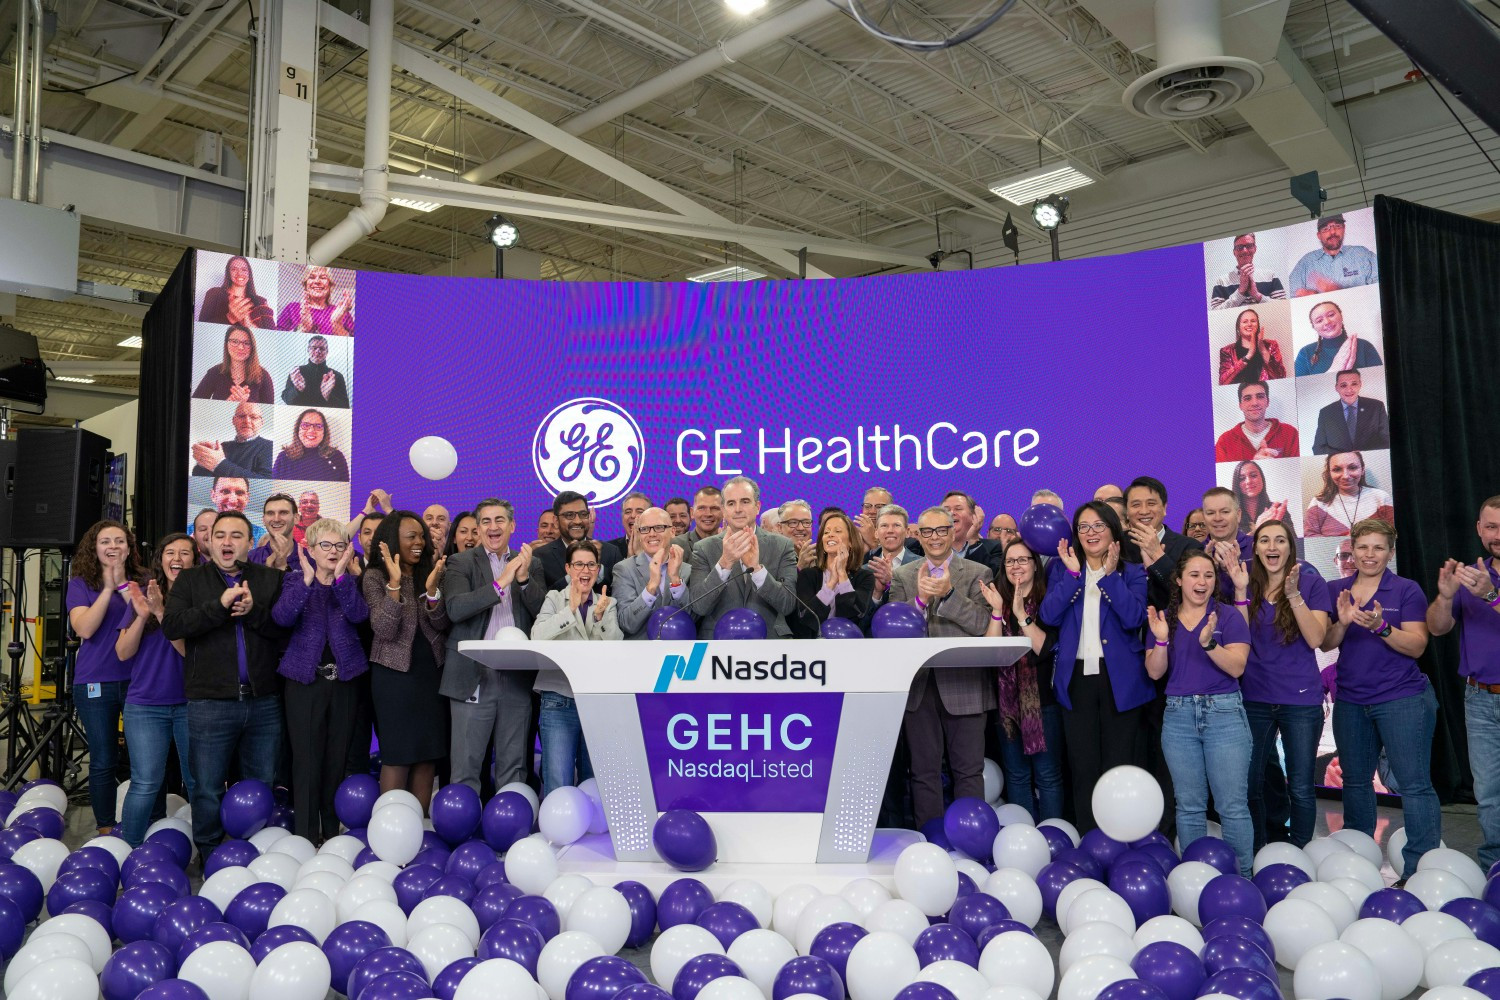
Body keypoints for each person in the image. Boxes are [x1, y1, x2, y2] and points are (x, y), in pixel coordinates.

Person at [161, 510, 288, 860]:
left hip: (263, 702)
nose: (227, 541)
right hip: (209, 704)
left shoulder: (269, 579)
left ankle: (255, 854)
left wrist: (254, 612)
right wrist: (218, 606)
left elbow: (283, 631)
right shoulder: (189, 581)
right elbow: (173, 626)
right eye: (220, 535)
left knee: (260, 786)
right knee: (207, 788)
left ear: (250, 543)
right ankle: (209, 854)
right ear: (209, 541)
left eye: (236, 535)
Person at [1322, 519, 1437, 879]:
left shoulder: (1406, 590)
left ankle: (1420, 870)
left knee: (1414, 784)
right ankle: (1360, 865)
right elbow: (1325, 643)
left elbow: (1417, 645)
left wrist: (1381, 627)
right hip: (1352, 702)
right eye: (1362, 547)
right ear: (1352, 549)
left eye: (1378, 548)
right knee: (1355, 783)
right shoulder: (1336, 588)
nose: (1369, 555)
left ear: (1390, 551)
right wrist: (1341, 622)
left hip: (1402, 699)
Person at [1220, 517, 1330, 849]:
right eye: (1264, 540)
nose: (1272, 547)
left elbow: (1315, 639)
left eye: (1280, 540)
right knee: (1251, 783)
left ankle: (1300, 851)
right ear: (1255, 547)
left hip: (1300, 700)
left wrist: (1293, 594)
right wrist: (1239, 590)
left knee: (1299, 786)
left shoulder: (1310, 583)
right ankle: (1258, 847)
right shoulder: (1242, 582)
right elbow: (1236, 637)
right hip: (1254, 698)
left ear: (1290, 547)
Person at [1040, 502, 1150, 831]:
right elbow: (1048, 616)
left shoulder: (1131, 572)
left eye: (1099, 525)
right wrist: (1074, 575)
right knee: (1083, 765)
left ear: (1114, 531)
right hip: (1076, 680)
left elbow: (1134, 618)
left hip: (1120, 680)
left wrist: (1109, 576)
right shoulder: (1064, 569)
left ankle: (1122, 834)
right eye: (1084, 527)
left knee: (1118, 764)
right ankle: (1090, 837)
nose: (1091, 533)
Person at [1145, 550, 1254, 874]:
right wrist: (1162, 642)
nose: (1202, 582)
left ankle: (1243, 878)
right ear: (1178, 580)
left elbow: (1237, 667)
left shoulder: (1229, 617)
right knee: (1189, 807)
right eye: (1194, 574)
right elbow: (1153, 672)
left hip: (1224, 715)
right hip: (1178, 717)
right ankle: (1193, 878)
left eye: (1208, 575)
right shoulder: (1164, 619)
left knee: (1231, 807)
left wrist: (1209, 644)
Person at [888, 506, 992, 825]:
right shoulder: (903, 575)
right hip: (918, 687)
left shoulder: (978, 572)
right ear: (918, 535)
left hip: (965, 685)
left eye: (941, 531)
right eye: (928, 532)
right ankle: (930, 841)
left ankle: (973, 840)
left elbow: (982, 623)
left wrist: (948, 596)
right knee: (923, 773)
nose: (935, 538)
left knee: (969, 772)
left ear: (952, 532)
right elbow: (890, 627)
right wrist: (918, 601)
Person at [440, 499, 545, 792]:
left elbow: (543, 614)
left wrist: (523, 580)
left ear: (512, 526)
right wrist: (501, 583)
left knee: (513, 766)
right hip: (473, 675)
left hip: (516, 675)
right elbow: (456, 609)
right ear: (478, 528)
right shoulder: (460, 562)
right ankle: (461, 832)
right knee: (466, 767)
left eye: (499, 520)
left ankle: (511, 833)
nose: (492, 527)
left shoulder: (530, 563)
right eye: (485, 521)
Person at [272, 519, 365, 843]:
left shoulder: (348, 582)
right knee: (306, 761)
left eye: (339, 545)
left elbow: (359, 616)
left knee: (336, 760)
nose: (333, 551)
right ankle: (306, 837)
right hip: (304, 682)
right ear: (309, 550)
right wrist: (308, 581)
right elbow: (281, 618)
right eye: (325, 545)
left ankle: (331, 832)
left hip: (344, 682)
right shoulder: (295, 580)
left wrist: (340, 578)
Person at [1427, 497, 1500, 869]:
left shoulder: (1483, 585)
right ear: (1478, 529)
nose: (1497, 535)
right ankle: (1495, 870)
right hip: (1481, 699)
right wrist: (1444, 596)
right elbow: (1438, 628)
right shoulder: (1470, 575)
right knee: (1488, 794)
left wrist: (1491, 595)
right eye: (1491, 527)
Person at [362, 510, 448, 813]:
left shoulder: (433, 572)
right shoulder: (375, 576)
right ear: (393, 539)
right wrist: (395, 584)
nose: (419, 542)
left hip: (431, 674)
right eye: (412, 536)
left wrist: (433, 591)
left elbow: (440, 624)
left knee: (427, 756)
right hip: (393, 677)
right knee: (397, 755)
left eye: (421, 536)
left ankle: (420, 828)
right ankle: (391, 826)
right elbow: (384, 629)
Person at [115, 533, 196, 847]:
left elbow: (191, 654)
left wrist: (163, 613)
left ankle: (206, 853)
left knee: (197, 783)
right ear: (161, 559)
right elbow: (123, 652)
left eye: (184, 553)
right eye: (170, 552)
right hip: (145, 705)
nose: (176, 557)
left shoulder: (200, 598)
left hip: (191, 705)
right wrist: (144, 614)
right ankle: (129, 850)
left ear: (195, 559)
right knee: (146, 783)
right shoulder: (145, 595)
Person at [67, 520, 144, 835]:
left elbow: (146, 618)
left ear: (128, 547)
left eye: (120, 541)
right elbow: (84, 628)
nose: (113, 546)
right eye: (105, 541)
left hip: (138, 681)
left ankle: (146, 821)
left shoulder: (142, 580)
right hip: (94, 682)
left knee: (144, 760)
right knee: (103, 758)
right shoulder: (80, 583)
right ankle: (105, 827)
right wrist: (108, 587)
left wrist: (124, 584)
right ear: (93, 548)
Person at [981, 539, 1062, 822]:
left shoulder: (1048, 602)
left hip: (1044, 702)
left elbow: (1043, 648)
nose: (1016, 566)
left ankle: (1052, 834)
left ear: (1035, 565)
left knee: (1048, 775)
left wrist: (1021, 616)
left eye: (1023, 560)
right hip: (1007, 706)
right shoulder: (997, 600)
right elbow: (991, 653)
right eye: (1010, 561)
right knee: (1016, 775)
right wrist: (997, 611)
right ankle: (1023, 834)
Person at [531, 540, 620, 795]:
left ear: (598, 569)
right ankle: (557, 832)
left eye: (591, 564)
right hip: (559, 698)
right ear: (568, 568)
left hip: (596, 699)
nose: (586, 570)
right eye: (579, 564)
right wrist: (570, 611)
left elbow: (616, 646)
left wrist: (601, 618)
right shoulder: (554, 598)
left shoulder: (607, 602)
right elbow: (536, 635)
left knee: (594, 779)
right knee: (558, 777)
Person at [686, 476, 797, 638]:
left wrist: (758, 571)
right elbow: (699, 606)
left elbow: (788, 604)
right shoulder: (703, 548)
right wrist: (725, 562)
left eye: (745, 501)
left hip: (770, 645)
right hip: (718, 645)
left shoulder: (782, 546)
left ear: (757, 507)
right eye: (731, 503)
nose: (738, 509)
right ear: (723, 510)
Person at [613, 507, 691, 639]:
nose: (652, 534)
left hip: (679, 652)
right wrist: (651, 588)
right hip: (639, 654)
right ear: (639, 534)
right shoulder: (624, 569)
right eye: (645, 529)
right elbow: (626, 623)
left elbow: (692, 617)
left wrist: (675, 580)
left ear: (672, 531)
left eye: (659, 527)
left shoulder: (686, 569)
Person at [792, 511, 873, 638]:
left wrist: (842, 575)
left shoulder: (865, 577)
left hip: (849, 645)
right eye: (826, 532)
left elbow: (855, 615)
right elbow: (806, 618)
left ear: (851, 541)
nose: (830, 535)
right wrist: (830, 584)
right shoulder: (808, 575)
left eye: (837, 531)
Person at [537, 492, 622, 591]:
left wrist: (597, 568)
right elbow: (542, 599)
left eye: (583, 514)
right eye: (569, 515)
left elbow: (620, 593)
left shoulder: (611, 552)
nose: (578, 521)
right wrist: (573, 573)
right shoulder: (540, 556)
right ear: (556, 521)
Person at [1305, 451, 1394, 537]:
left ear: (1362, 470)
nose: (1345, 476)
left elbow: (1394, 535)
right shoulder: (1318, 503)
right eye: (1337, 469)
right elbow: (1309, 536)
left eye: (1352, 468)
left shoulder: (1381, 498)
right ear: (1329, 473)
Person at [1288, 214, 1379, 296]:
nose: (1332, 232)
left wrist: (1334, 290)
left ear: (1344, 228)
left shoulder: (1363, 255)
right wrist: (1310, 295)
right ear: (1319, 235)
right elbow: (1291, 293)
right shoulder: (1306, 262)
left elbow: (1382, 288)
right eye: (1326, 229)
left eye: (1337, 226)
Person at [1215, 381, 1300, 462]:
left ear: (1267, 402)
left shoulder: (1290, 433)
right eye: (1247, 398)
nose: (1254, 403)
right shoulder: (1225, 442)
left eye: (1260, 396)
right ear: (1240, 405)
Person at [866, 504, 921, 624]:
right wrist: (877, 595)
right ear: (876, 533)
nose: (890, 530)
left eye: (896, 525)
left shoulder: (922, 566)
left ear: (907, 532)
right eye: (884, 525)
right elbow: (862, 620)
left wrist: (892, 582)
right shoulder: (864, 570)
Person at [1294, 300, 1383, 376]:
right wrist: (1334, 369)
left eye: (1331, 315)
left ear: (1341, 316)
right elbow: (1302, 388)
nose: (1327, 322)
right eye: (1319, 320)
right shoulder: (1305, 353)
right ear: (1314, 327)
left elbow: (1380, 378)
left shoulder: (1364, 346)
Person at [1312, 369, 1390, 455]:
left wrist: (1364, 453)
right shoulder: (1326, 413)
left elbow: (1387, 440)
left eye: (1354, 384)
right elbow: (1318, 448)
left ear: (1360, 384)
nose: (1349, 389)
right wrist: (1344, 455)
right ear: (1336, 388)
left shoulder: (1377, 407)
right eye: (1343, 385)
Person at [192, 324, 275, 403]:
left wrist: (246, 402)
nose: (240, 347)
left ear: (252, 347)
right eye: (234, 341)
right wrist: (226, 405)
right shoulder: (214, 372)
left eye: (246, 343)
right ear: (226, 344)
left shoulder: (263, 376)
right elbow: (195, 407)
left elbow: (269, 415)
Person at [191, 402, 273, 479]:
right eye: (241, 416)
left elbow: (265, 480)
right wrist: (204, 461)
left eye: (253, 417)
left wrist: (219, 464)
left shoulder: (270, 447)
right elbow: (199, 478)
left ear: (261, 423)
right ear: (234, 420)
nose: (247, 421)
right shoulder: (222, 446)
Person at [1210, 233, 1287, 309]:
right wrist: (1240, 292)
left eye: (1249, 246)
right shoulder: (1221, 281)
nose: (1245, 251)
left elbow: (1283, 308)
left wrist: (1257, 295)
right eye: (1239, 247)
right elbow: (1215, 313)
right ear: (1234, 252)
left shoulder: (1270, 276)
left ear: (1255, 249)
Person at [271, 409, 348, 481]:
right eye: (305, 425)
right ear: (298, 429)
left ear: (324, 432)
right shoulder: (283, 457)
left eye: (318, 426)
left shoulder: (337, 457)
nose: (311, 430)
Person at [278, 264, 354, 336]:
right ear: (305, 285)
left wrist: (337, 325)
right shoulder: (291, 308)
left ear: (330, 285)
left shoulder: (342, 313)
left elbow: (357, 345)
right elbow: (277, 340)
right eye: (311, 277)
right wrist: (303, 328)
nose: (317, 281)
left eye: (323, 277)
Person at [199, 255, 274, 328]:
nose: (239, 273)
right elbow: (201, 327)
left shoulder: (261, 301)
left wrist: (249, 326)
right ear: (228, 273)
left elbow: (272, 335)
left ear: (249, 273)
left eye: (244, 269)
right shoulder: (214, 293)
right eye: (234, 269)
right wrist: (230, 318)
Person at [1217, 309, 1288, 385]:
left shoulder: (1271, 345)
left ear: (1258, 325)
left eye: (1253, 321)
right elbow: (1223, 382)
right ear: (1238, 327)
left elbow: (1281, 377)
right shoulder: (1227, 351)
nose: (1249, 324)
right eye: (1245, 321)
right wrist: (1249, 355)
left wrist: (1263, 349)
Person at [281, 336, 350, 408]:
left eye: (322, 348)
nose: (318, 351)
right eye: (314, 348)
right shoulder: (297, 372)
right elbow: (287, 400)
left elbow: (345, 406)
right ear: (308, 350)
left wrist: (328, 396)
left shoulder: (336, 376)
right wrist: (296, 390)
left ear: (327, 352)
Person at [1231, 460, 1288, 533]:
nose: (1248, 481)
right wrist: (1257, 529)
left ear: (1262, 479)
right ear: (1237, 484)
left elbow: (1294, 542)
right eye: (1242, 478)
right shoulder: (1229, 514)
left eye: (1253, 475)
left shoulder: (1278, 509)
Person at [249, 493, 299, 570]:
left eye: (283, 513)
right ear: (264, 520)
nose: (276, 519)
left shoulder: (311, 560)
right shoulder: (250, 559)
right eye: (270, 513)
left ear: (296, 518)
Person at [672, 486, 724, 558]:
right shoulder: (676, 545)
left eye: (714, 508)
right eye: (701, 508)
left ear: (724, 512)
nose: (708, 514)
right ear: (692, 512)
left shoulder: (734, 545)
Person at [604, 491, 651, 558]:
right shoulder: (608, 549)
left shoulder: (658, 546)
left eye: (639, 511)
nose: (633, 515)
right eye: (628, 512)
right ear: (622, 517)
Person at [779, 500, 816, 568]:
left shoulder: (821, 558)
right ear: (780, 527)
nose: (800, 528)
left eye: (806, 522)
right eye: (793, 522)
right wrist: (800, 567)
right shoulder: (770, 557)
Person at [858, 487, 894, 552]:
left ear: (891, 510)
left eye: (879, 507)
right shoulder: (853, 537)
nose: (872, 511)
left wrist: (872, 542)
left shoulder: (899, 536)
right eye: (867, 506)